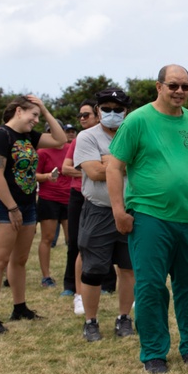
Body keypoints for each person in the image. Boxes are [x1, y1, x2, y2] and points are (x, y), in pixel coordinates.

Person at [107, 64, 188, 374]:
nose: (179, 91)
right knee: (151, 286)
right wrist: (118, 210)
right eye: (173, 85)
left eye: (185, 86)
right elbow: (114, 168)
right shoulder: (137, 121)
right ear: (159, 87)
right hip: (149, 217)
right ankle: (154, 352)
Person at [0, 95, 67, 334]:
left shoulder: (29, 136)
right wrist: (12, 207)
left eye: (38, 116)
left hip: (27, 204)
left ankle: (20, 307)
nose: (36, 120)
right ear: (19, 111)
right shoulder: (0, 135)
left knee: (19, 259)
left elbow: (60, 139)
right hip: (2, 205)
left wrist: (46, 110)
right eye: (33, 115)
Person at [75, 88, 135, 342]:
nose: (112, 114)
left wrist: (107, 160)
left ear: (126, 112)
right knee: (94, 270)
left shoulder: (134, 133)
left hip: (131, 209)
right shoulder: (87, 137)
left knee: (129, 268)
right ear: (98, 111)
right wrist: (122, 163)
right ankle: (91, 321)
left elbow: (139, 166)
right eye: (106, 109)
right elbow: (96, 173)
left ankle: (124, 318)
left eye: (117, 109)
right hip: (98, 211)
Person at [62, 101, 116, 313]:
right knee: (80, 248)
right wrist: (90, 167)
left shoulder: (119, 135)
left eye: (86, 115)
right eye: (80, 115)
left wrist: (104, 163)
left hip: (116, 200)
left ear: (96, 116)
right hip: (83, 197)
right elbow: (70, 168)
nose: (82, 119)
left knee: (118, 252)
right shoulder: (82, 139)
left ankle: (109, 286)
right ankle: (78, 293)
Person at [36, 124, 71, 288]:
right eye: (48, 132)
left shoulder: (71, 148)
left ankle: (72, 275)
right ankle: (46, 276)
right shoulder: (42, 152)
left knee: (73, 240)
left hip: (70, 198)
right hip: (48, 198)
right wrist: (47, 176)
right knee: (48, 238)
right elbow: (33, 175)